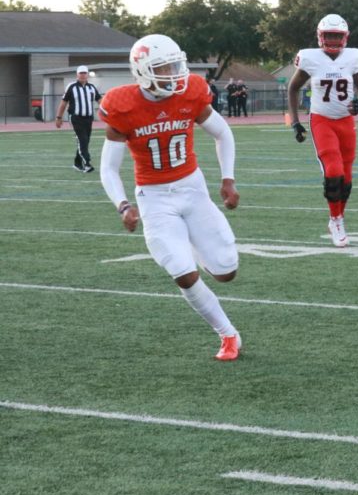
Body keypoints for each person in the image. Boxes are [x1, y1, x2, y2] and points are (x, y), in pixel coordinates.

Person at [98, 34, 243, 361]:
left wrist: (228, 179)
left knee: (226, 271)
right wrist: (122, 205)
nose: (173, 74)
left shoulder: (190, 92)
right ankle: (228, 334)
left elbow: (223, 132)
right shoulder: (123, 105)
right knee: (183, 272)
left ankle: (191, 242)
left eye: (175, 65)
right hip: (154, 197)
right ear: (142, 71)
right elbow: (109, 168)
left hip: (192, 189)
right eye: (163, 68)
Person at [287, 14, 358, 248]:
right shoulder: (310, 59)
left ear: (345, 37)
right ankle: (335, 220)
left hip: (346, 121)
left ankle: (339, 217)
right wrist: (295, 121)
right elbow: (292, 89)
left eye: (337, 35)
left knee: (347, 177)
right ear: (320, 36)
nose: (333, 40)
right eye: (329, 35)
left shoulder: (353, 58)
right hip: (322, 120)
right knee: (333, 170)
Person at [55, 65, 102, 172]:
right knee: (83, 140)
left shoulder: (92, 87)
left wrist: (108, 111)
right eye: (81, 73)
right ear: (77, 74)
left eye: (84, 73)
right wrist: (59, 117)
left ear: (87, 74)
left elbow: (100, 100)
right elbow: (63, 102)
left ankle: (77, 163)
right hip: (76, 117)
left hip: (88, 118)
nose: (83, 75)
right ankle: (87, 164)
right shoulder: (71, 87)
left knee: (85, 141)